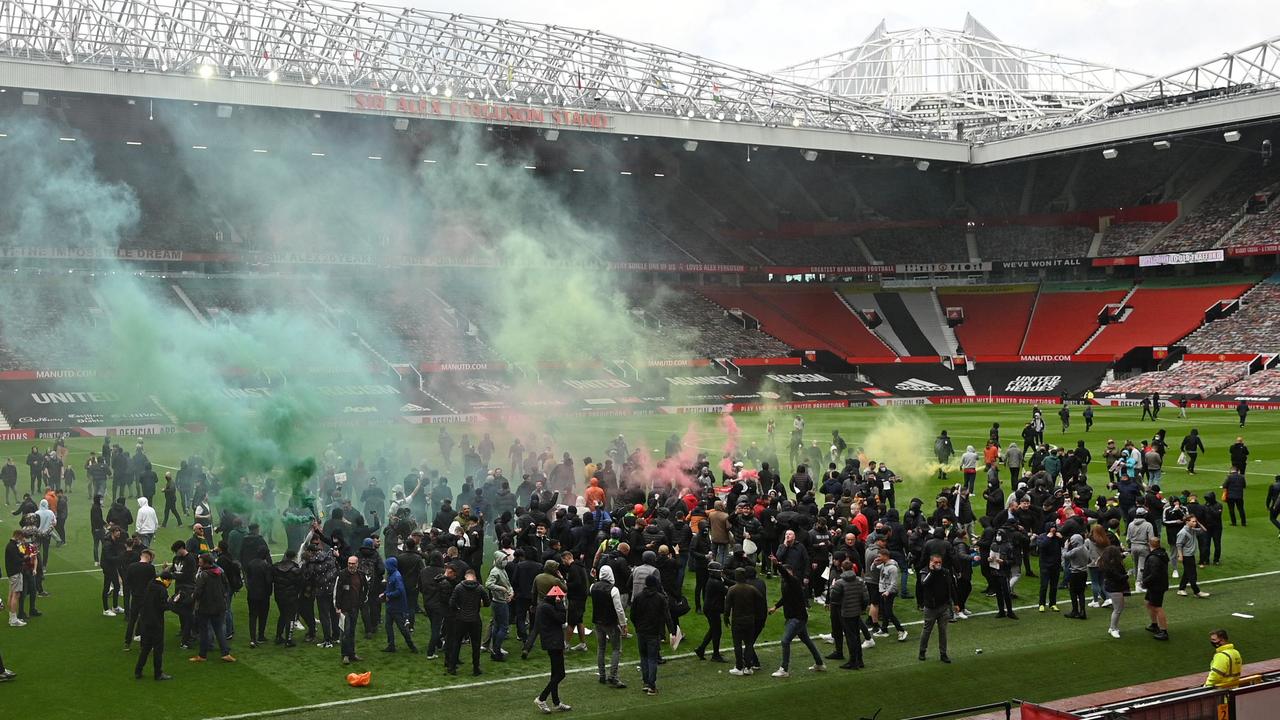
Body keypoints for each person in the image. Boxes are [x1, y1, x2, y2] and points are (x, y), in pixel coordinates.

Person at [768, 563, 825, 677]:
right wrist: (776, 607)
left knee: (785, 641)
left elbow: (785, 574)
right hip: (796, 617)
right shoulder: (785, 582)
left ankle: (784, 669)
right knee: (807, 640)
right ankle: (819, 663)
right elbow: (786, 597)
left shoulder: (793, 581)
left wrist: (777, 564)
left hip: (797, 618)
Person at [631, 573, 675, 694]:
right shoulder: (660, 598)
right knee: (652, 659)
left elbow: (632, 615)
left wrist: (638, 626)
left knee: (644, 657)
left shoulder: (638, 597)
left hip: (641, 631)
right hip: (653, 632)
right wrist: (672, 631)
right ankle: (651, 685)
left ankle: (646, 682)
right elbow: (667, 616)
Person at [191, 553, 235, 663]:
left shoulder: (203, 575)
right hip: (219, 606)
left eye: (200, 562)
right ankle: (225, 653)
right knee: (219, 630)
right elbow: (226, 586)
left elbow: (198, 591)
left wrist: (193, 597)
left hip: (205, 607)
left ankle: (202, 655)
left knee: (204, 631)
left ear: (206, 563)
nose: (199, 564)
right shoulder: (220, 572)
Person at [534, 586, 571, 713]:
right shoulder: (548, 607)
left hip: (550, 642)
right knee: (560, 674)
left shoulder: (543, 606)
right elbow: (562, 619)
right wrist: (560, 604)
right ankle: (541, 698)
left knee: (555, 674)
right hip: (554, 642)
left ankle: (556, 702)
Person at [827, 559, 870, 670]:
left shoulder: (839, 583)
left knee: (851, 638)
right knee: (856, 636)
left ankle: (853, 662)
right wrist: (862, 609)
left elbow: (834, 598)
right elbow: (865, 598)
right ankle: (859, 660)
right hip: (856, 612)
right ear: (852, 568)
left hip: (846, 612)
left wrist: (832, 588)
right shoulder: (860, 581)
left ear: (842, 568)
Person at [590, 563, 627, 688]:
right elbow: (619, 609)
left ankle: (602, 675)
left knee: (601, 648)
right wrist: (623, 624)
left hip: (597, 621)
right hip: (610, 622)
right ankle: (613, 676)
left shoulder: (592, 587)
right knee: (616, 649)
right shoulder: (613, 589)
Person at [446, 569, 488, 674]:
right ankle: (476, 668)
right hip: (475, 619)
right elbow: (487, 603)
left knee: (456, 643)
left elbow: (451, 603)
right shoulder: (480, 588)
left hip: (461, 619)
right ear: (474, 577)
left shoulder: (459, 587)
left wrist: (459, 610)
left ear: (465, 577)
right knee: (476, 645)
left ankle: (452, 667)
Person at [135, 569, 174, 681]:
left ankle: (138, 670)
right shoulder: (162, 590)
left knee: (146, 647)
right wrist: (171, 603)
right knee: (158, 649)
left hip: (145, 620)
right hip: (156, 622)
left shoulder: (151, 584)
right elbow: (163, 606)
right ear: (167, 580)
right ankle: (158, 673)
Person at [917, 554, 956, 663]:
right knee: (927, 630)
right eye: (935, 562)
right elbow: (924, 583)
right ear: (930, 562)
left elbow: (950, 587)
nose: (938, 565)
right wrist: (933, 571)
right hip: (931, 608)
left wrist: (955, 602)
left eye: (939, 562)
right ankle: (922, 651)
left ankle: (943, 653)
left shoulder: (945, 572)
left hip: (943, 606)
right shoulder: (925, 572)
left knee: (943, 631)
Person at [381, 556, 419, 655]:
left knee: (402, 628)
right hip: (390, 606)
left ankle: (412, 646)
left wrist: (388, 595)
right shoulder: (391, 575)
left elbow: (400, 591)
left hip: (397, 607)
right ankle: (391, 645)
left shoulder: (396, 577)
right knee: (388, 626)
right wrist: (384, 593)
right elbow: (390, 588)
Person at [334, 555, 366, 665]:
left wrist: (361, 601)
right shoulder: (342, 575)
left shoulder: (361, 575)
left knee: (352, 631)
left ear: (357, 564)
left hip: (355, 608)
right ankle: (345, 655)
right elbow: (337, 591)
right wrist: (337, 607)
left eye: (353, 563)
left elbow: (365, 589)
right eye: (349, 563)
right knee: (345, 632)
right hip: (344, 608)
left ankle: (352, 653)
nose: (351, 565)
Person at [693, 561, 727, 662]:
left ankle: (701, 649)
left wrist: (739, 582)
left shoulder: (716, 579)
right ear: (713, 572)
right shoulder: (715, 582)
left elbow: (727, 580)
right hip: (712, 610)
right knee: (717, 631)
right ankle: (715, 655)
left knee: (713, 630)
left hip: (712, 609)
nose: (721, 573)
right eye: (719, 571)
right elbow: (727, 591)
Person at [1141, 538, 1170, 641]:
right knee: (1148, 602)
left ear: (1150, 544)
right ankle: (1154, 624)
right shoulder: (1161, 554)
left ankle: (1163, 631)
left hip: (1156, 585)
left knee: (1157, 607)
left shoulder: (1154, 558)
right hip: (1157, 584)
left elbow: (1154, 574)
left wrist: (1144, 581)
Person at [1175, 517, 1210, 598]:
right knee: (1192, 575)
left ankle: (1181, 589)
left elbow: (1204, 530)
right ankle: (1197, 592)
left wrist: (1198, 522)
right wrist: (1180, 556)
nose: (1195, 523)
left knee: (1187, 573)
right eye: (1193, 521)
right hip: (1186, 556)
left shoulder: (1192, 530)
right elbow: (1178, 544)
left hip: (1191, 555)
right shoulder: (1183, 532)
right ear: (1187, 522)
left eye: (1195, 521)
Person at [1099, 546, 1128, 639]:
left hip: (1113, 587)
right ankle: (1113, 628)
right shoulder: (1112, 567)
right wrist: (1128, 575)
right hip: (1115, 588)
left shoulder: (1107, 563)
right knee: (1117, 610)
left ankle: (1113, 627)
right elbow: (1119, 577)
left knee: (1118, 608)